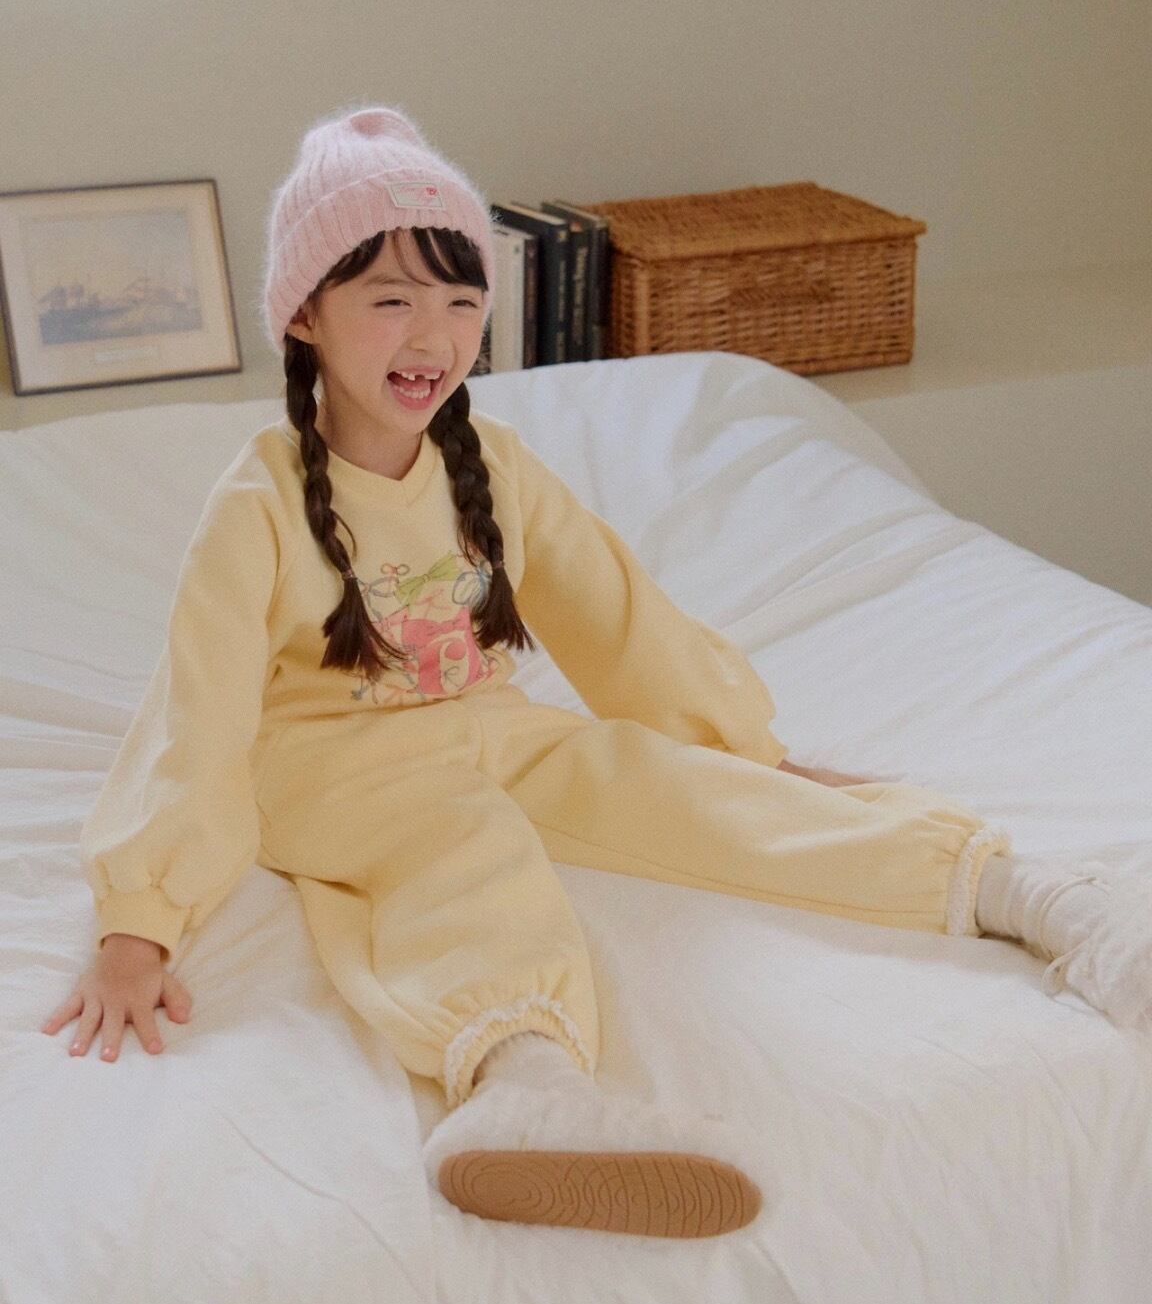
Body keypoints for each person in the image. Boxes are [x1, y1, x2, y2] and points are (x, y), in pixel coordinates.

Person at [40, 104, 1150, 1240]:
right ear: (305, 316)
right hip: (327, 766)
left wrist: (745, 754)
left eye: (461, 303)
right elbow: (195, 713)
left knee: (679, 792)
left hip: (489, 725)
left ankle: (1043, 903)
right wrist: (141, 921)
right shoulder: (260, 501)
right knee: (464, 854)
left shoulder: (492, 464)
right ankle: (525, 1084)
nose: (432, 336)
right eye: (391, 300)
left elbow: (621, 621)